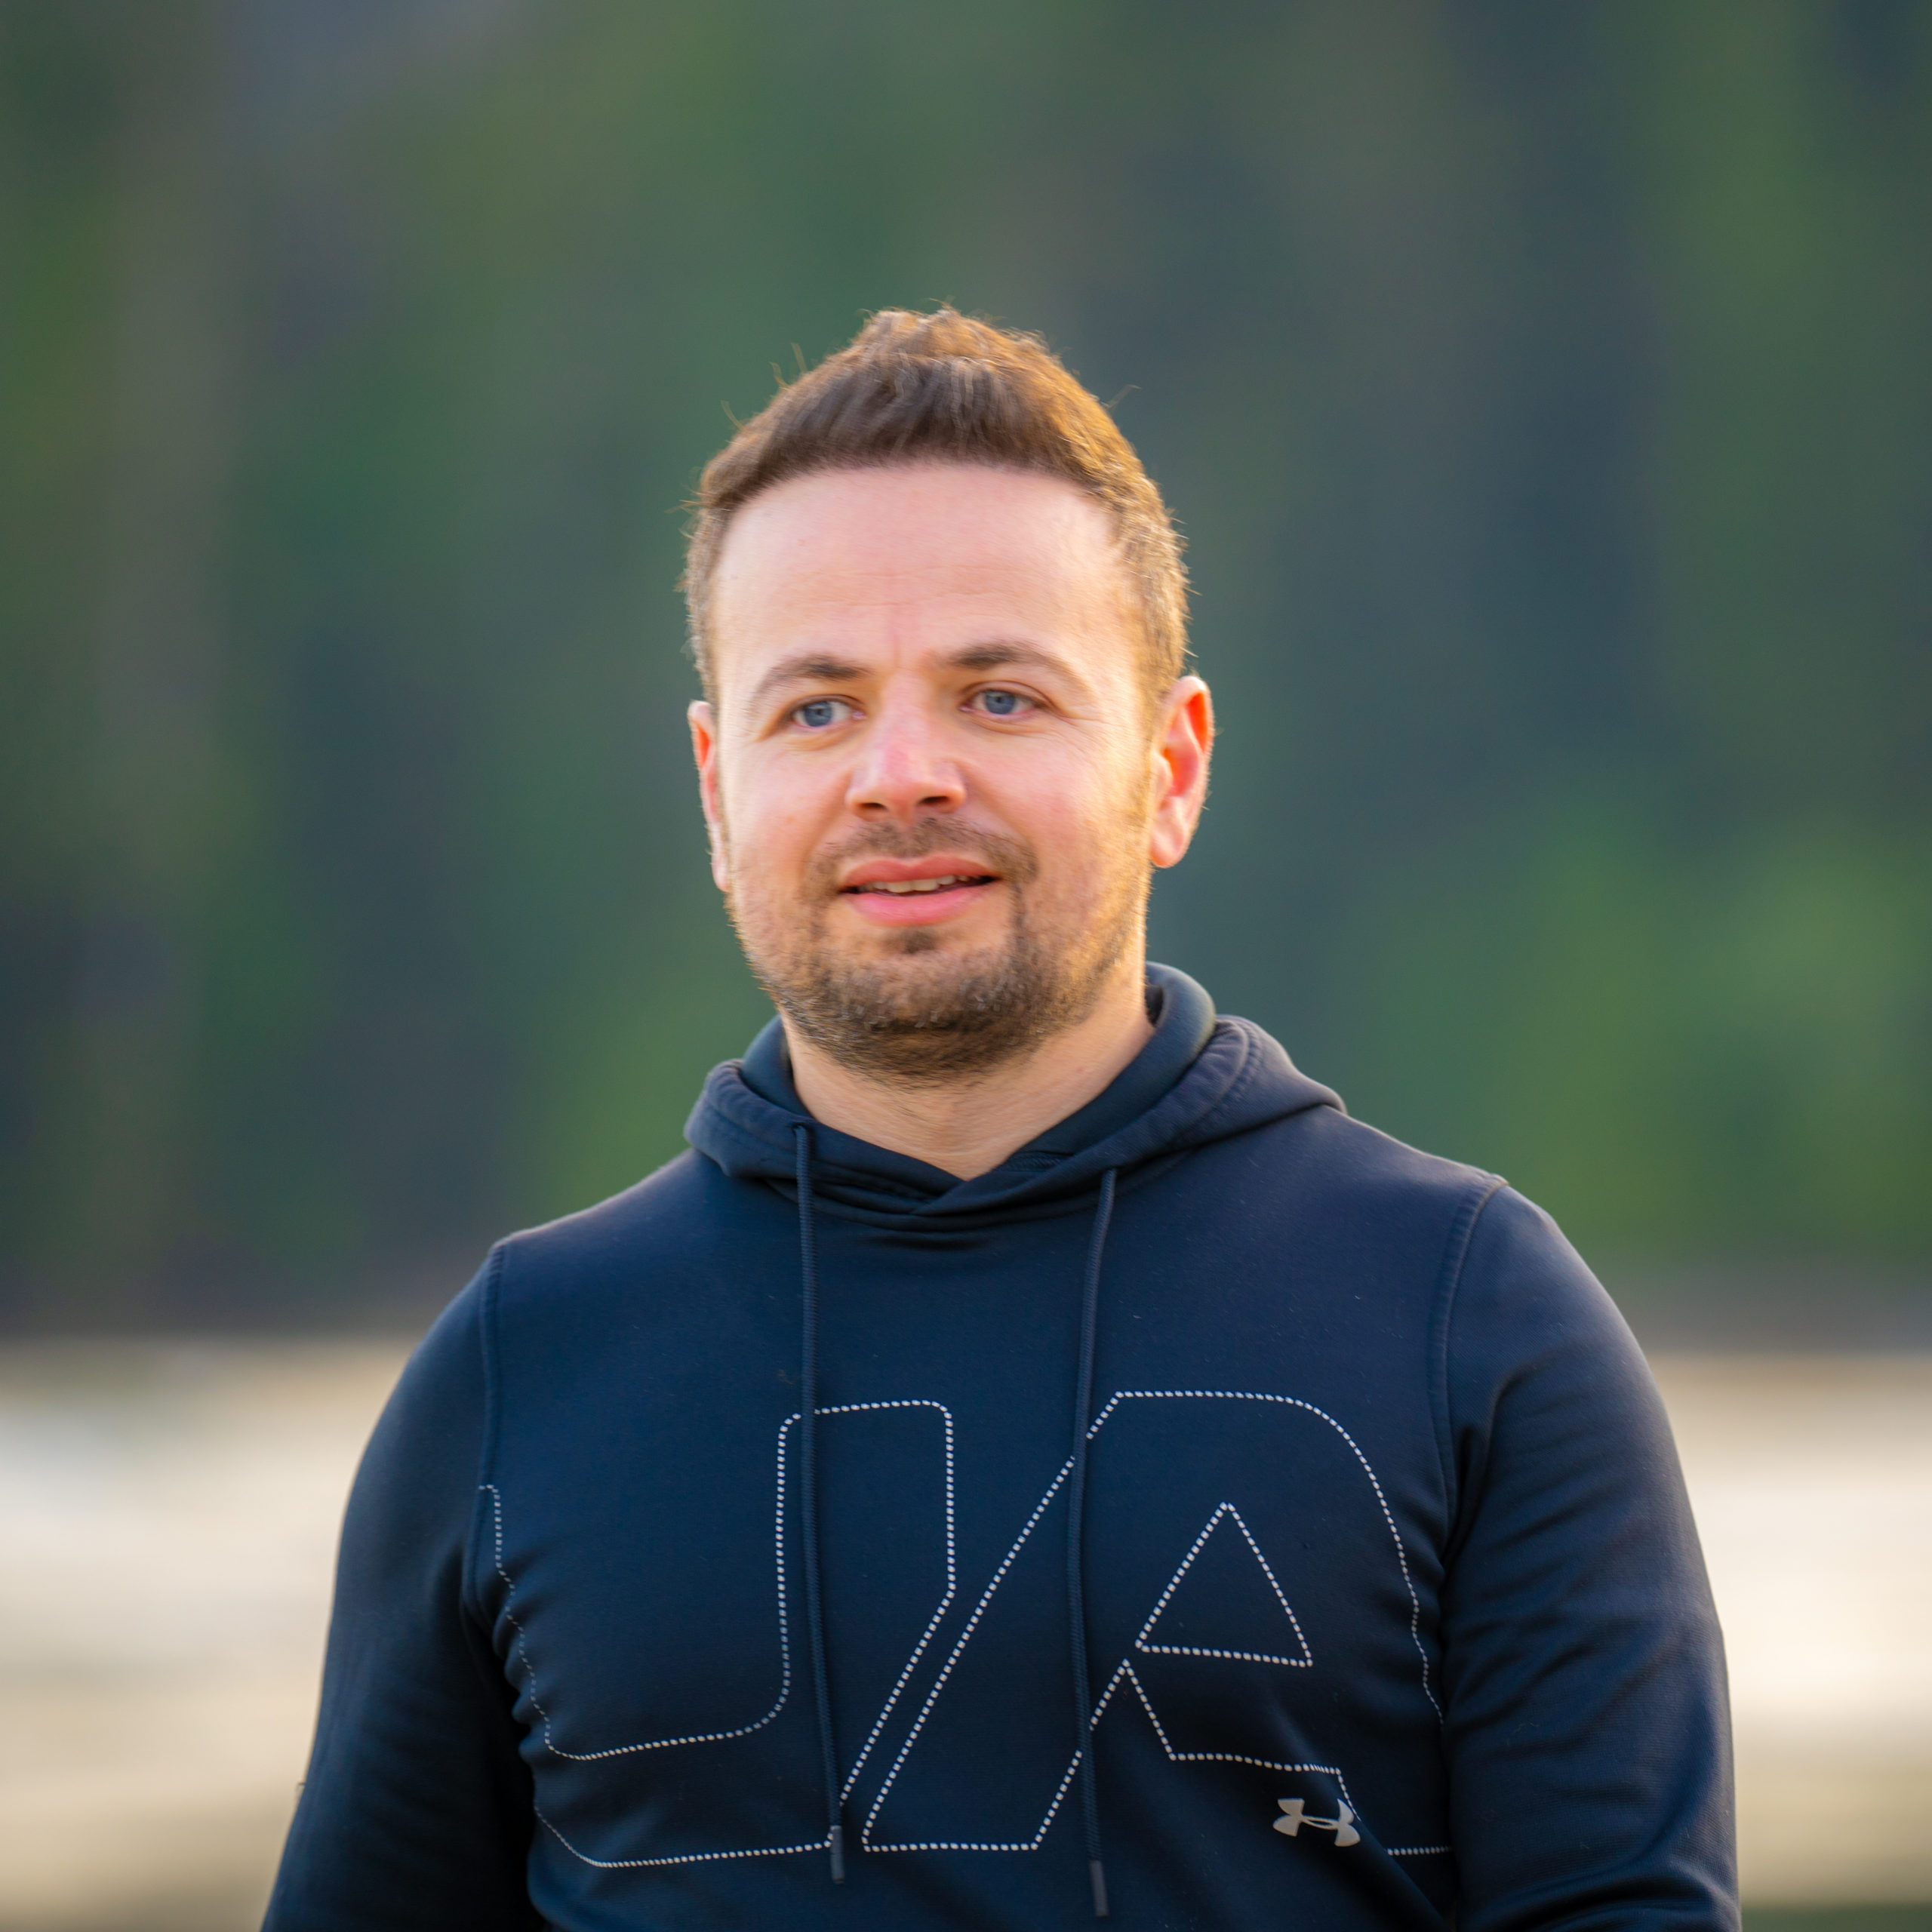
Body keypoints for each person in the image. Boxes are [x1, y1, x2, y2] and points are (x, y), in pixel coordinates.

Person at [263, 309, 1736, 1932]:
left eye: (998, 696)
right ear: (713, 788)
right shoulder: (519, 1368)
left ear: (1168, 767)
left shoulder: (1466, 1316)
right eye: (813, 709)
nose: (900, 774)